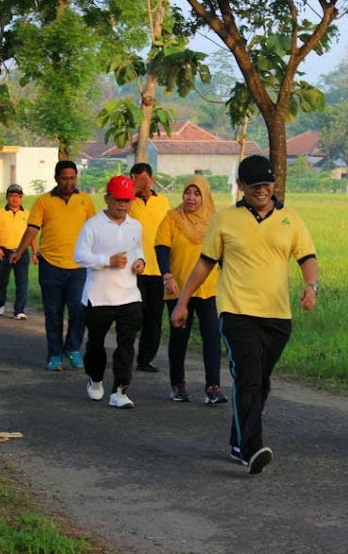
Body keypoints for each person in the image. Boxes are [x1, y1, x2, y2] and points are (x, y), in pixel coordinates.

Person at [171, 155, 318, 475]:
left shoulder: (290, 219)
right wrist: (183, 301)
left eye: (266, 184)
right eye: (254, 186)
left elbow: (307, 256)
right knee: (249, 376)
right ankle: (252, 449)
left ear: (274, 184)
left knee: (260, 381)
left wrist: (311, 286)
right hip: (237, 312)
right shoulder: (225, 220)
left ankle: (238, 439)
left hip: (278, 315)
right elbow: (205, 263)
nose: (262, 190)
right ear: (241, 187)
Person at [10, 160, 96, 371]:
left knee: (79, 308)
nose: (69, 183)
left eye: (73, 178)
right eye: (65, 179)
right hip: (50, 265)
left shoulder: (85, 201)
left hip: (78, 266)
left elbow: (95, 230)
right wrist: (20, 251)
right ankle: (55, 354)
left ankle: (73, 348)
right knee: (53, 312)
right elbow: (32, 228)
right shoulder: (43, 201)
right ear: (56, 178)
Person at [74, 175, 145, 409]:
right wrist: (107, 261)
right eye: (118, 200)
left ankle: (119, 390)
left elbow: (137, 249)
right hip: (99, 297)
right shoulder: (93, 225)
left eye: (127, 200)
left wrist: (140, 262)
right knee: (96, 344)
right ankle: (95, 379)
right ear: (107, 198)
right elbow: (80, 255)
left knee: (126, 345)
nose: (123, 205)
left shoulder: (135, 225)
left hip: (129, 296)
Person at [155, 176, 226, 404]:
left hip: (209, 289)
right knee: (179, 337)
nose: (191, 198)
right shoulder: (172, 218)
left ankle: (213, 387)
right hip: (178, 289)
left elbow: (223, 254)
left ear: (204, 196)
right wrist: (167, 275)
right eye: (188, 192)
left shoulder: (215, 222)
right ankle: (178, 385)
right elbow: (161, 248)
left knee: (212, 336)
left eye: (197, 193)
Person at [128, 162, 170, 373]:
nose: (143, 184)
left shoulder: (162, 202)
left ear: (152, 179)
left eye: (146, 179)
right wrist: (132, 191)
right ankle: (125, 352)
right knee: (134, 315)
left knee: (154, 318)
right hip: (133, 269)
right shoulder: (127, 203)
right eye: (138, 180)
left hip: (158, 270)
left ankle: (145, 359)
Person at [0, 184, 36, 320]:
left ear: (21, 198)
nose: (15, 199)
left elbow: (31, 234)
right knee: (1, 281)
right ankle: (0, 301)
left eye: (18, 196)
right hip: (4, 252)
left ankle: (19, 310)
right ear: (7, 197)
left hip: (22, 252)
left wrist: (35, 252)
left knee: (22, 282)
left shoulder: (27, 214)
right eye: (12, 196)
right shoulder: (1, 212)